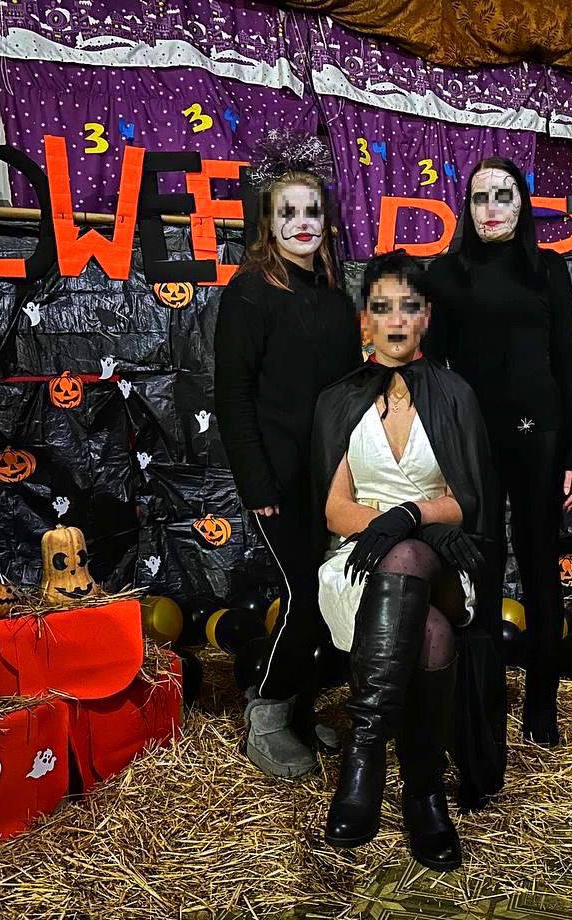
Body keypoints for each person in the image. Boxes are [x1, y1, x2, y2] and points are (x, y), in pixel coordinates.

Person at [312, 251, 505, 870]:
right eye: (382, 307)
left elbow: (467, 501)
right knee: (430, 631)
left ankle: (364, 756)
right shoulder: (338, 400)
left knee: (412, 553)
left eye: (409, 306)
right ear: (364, 320)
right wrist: (386, 526)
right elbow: (334, 510)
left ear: (426, 318)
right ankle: (423, 793)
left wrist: (411, 514)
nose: (395, 319)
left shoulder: (456, 395)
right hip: (360, 561)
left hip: (444, 558)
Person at [424, 157, 572, 747]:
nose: (490, 208)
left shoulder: (548, 269)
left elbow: (567, 365)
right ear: (466, 208)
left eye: (503, 195)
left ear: (522, 204)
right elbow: (431, 368)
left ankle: (543, 708)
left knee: (541, 570)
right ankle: (484, 706)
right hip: (474, 444)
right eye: (479, 197)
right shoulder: (446, 274)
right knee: (482, 573)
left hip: (540, 437)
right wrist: (436, 447)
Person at [214, 145, 363, 779]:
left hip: (332, 476)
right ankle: (267, 716)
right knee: (304, 593)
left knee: (329, 595)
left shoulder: (333, 295)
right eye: (288, 213)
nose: (302, 223)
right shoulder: (250, 293)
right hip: (277, 477)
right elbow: (232, 396)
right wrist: (255, 481)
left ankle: (299, 711)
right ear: (268, 224)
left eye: (311, 212)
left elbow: (350, 387)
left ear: (326, 221)